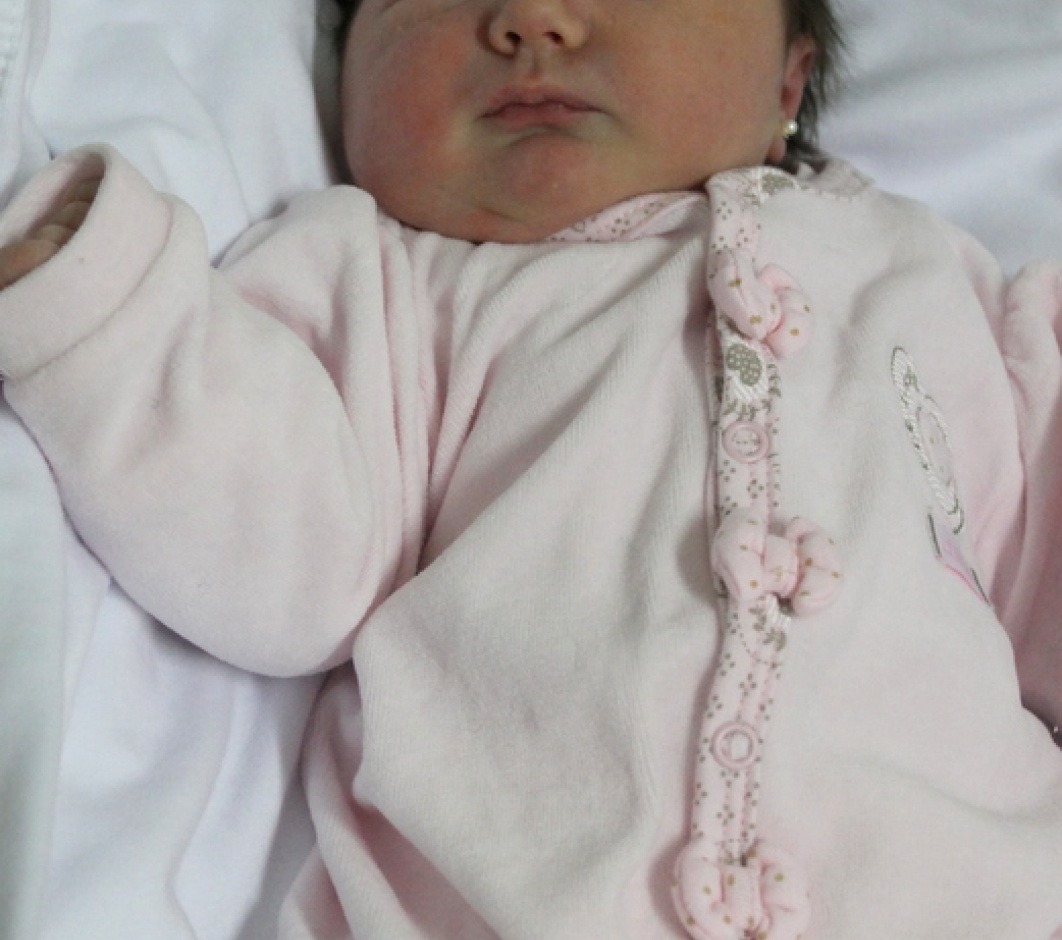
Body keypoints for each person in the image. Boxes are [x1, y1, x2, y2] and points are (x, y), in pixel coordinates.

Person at [0, 0, 1061, 937]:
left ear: (789, 81)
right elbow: (280, 553)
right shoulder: (395, 286)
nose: (531, 18)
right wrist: (111, 310)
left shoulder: (929, 275)